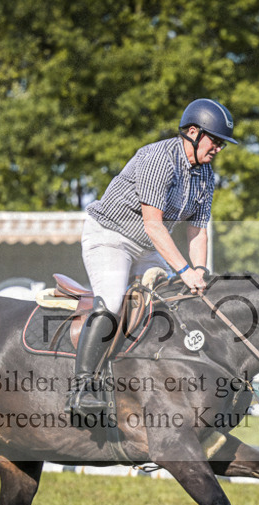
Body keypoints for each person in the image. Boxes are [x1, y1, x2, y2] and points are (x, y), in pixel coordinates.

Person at [66, 98, 237, 415]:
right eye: (215, 140)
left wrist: (199, 271)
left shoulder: (205, 174)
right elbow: (154, 224)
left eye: (221, 144)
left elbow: (198, 230)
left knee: (175, 304)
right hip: (111, 237)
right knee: (112, 302)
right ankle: (82, 388)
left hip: (147, 247)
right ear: (193, 132)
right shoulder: (159, 159)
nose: (218, 149)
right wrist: (184, 270)